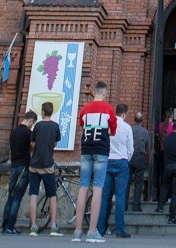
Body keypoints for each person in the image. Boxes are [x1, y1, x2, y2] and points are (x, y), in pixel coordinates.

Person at [73, 81, 117, 243]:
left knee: (83, 187)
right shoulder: (108, 109)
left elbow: (82, 125)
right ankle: (92, 231)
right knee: (98, 188)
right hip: (101, 151)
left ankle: (77, 231)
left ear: (93, 92)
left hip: (86, 150)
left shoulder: (84, 109)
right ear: (104, 93)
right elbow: (113, 130)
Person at [97, 103, 134, 238]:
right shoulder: (127, 127)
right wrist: (125, 159)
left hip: (107, 161)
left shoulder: (107, 124)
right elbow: (131, 149)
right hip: (121, 162)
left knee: (104, 197)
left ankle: (100, 229)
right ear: (124, 114)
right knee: (120, 197)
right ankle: (119, 230)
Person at [28, 103, 63, 237]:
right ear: (51, 112)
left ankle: (33, 226)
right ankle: (53, 226)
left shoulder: (37, 126)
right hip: (48, 165)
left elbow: (32, 144)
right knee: (52, 196)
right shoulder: (55, 126)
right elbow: (55, 142)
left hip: (34, 165)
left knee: (33, 194)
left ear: (42, 112)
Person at [1, 109, 37, 234]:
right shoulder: (28, 133)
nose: (32, 126)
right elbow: (33, 147)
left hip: (14, 166)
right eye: (33, 123)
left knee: (10, 197)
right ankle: (10, 227)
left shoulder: (14, 132)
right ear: (31, 121)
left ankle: (4, 226)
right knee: (17, 198)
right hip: (23, 167)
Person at [155, 119, 176, 224]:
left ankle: (160, 206)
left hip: (167, 165)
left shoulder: (166, 139)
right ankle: (172, 216)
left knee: (165, 186)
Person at [127, 111, 149, 212]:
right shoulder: (145, 132)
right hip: (140, 156)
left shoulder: (130, 130)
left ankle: (124, 206)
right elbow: (146, 145)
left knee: (126, 182)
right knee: (139, 182)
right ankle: (136, 206)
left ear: (134, 119)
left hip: (130, 156)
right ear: (143, 120)